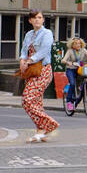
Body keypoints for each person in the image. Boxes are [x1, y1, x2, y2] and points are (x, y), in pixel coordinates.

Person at [19, 9, 60, 143]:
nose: (37, 20)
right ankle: (40, 132)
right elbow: (24, 51)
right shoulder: (29, 34)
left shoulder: (47, 33)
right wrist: (22, 61)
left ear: (43, 20)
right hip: (31, 71)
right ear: (30, 20)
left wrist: (29, 61)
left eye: (40, 17)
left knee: (27, 99)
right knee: (36, 102)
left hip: (43, 70)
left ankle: (50, 124)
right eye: (35, 18)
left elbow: (44, 50)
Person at [60, 37, 87, 104]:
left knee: (85, 79)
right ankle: (69, 101)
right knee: (72, 84)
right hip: (70, 70)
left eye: (79, 43)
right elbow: (63, 60)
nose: (78, 45)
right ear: (72, 45)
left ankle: (82, 90)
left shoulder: (83, 50)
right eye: (76, 43)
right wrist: (69, 63)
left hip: (79, 69)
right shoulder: (70, 51)